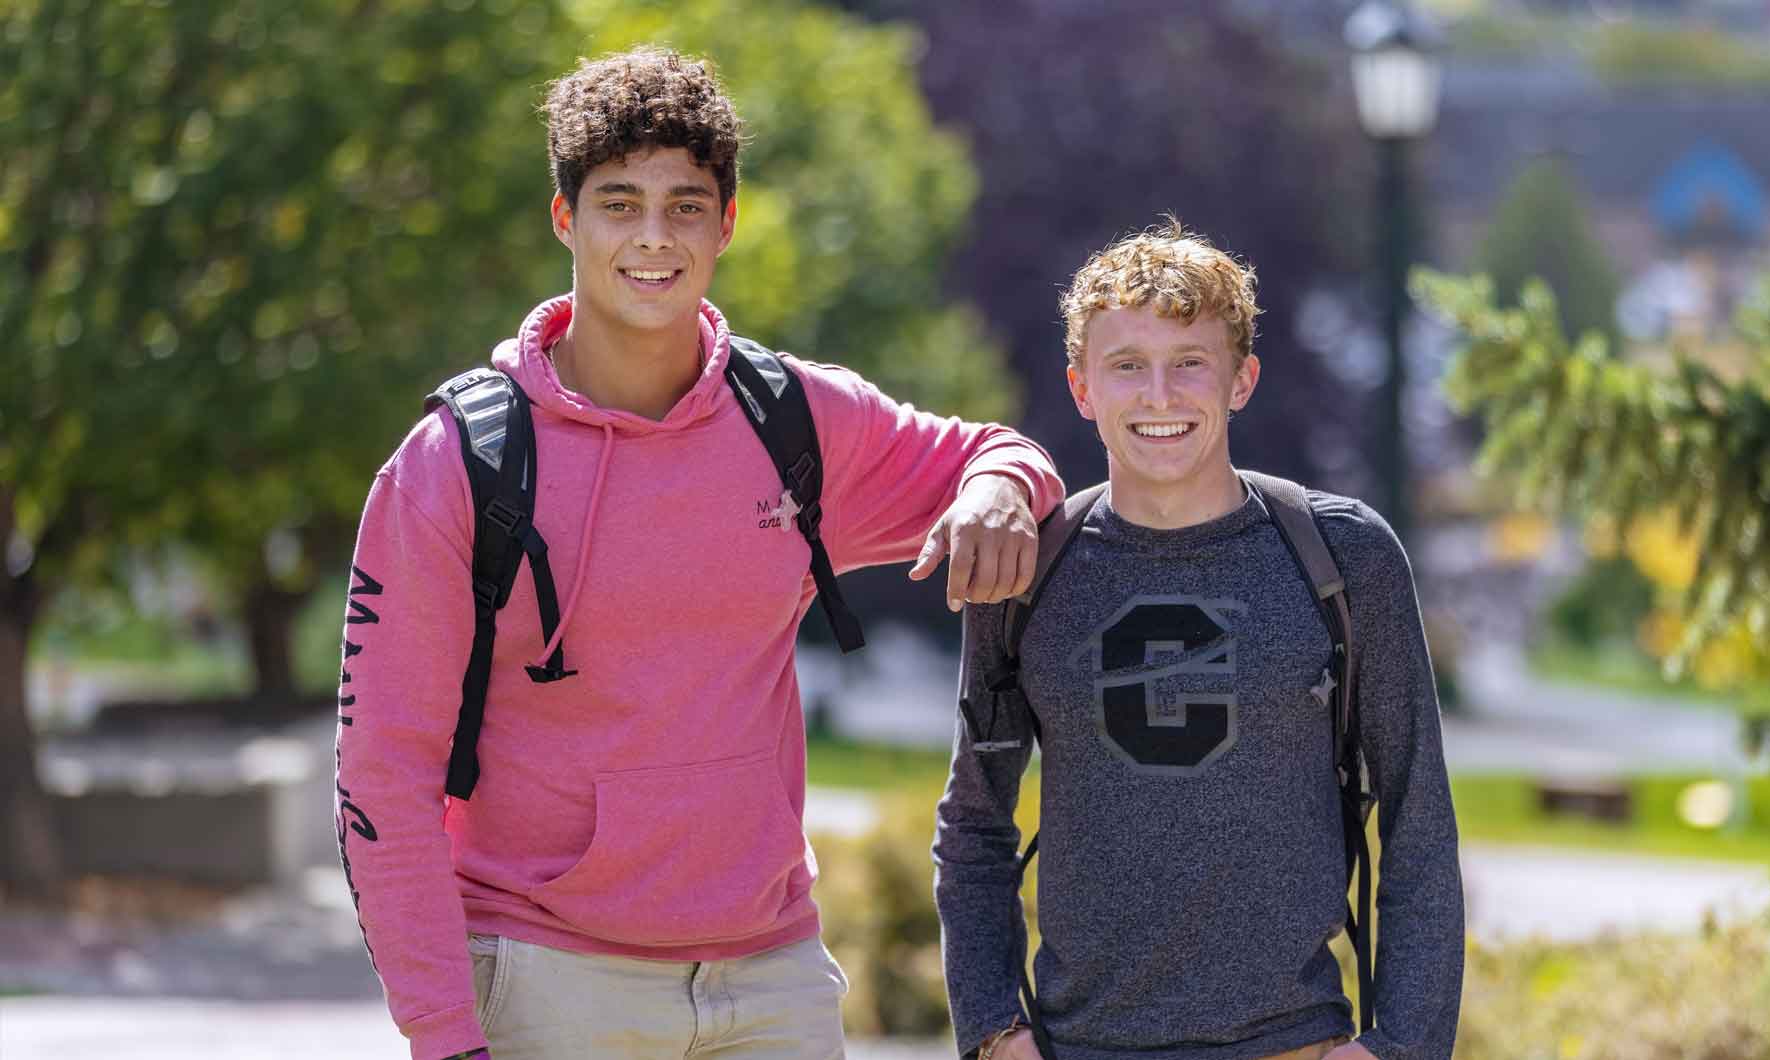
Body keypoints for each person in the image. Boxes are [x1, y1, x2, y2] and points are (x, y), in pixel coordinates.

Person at [335, 47, 1064, 1060]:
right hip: (545, 979)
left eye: (686, 205)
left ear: (726, 224)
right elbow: (381, 777)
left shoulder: (790, 420)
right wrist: (444, 1037)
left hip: (773, 985)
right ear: (566, 219)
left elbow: (1001, 450)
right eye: (619, 202)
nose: (652, 237)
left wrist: (997, 491)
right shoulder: (455, 464)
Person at [934, 221, 1463, 1060]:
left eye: (1190, 362)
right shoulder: (1028, 568)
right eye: (1127, 366)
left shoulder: (1342, 558)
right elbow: (974, 826)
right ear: (1081, 388)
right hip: (1080, 1047)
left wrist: (1399, 1047)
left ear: (1241, 379)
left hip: (1291, 1042)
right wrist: (995, 1032)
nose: (1160, 396)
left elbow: (1417, 822)